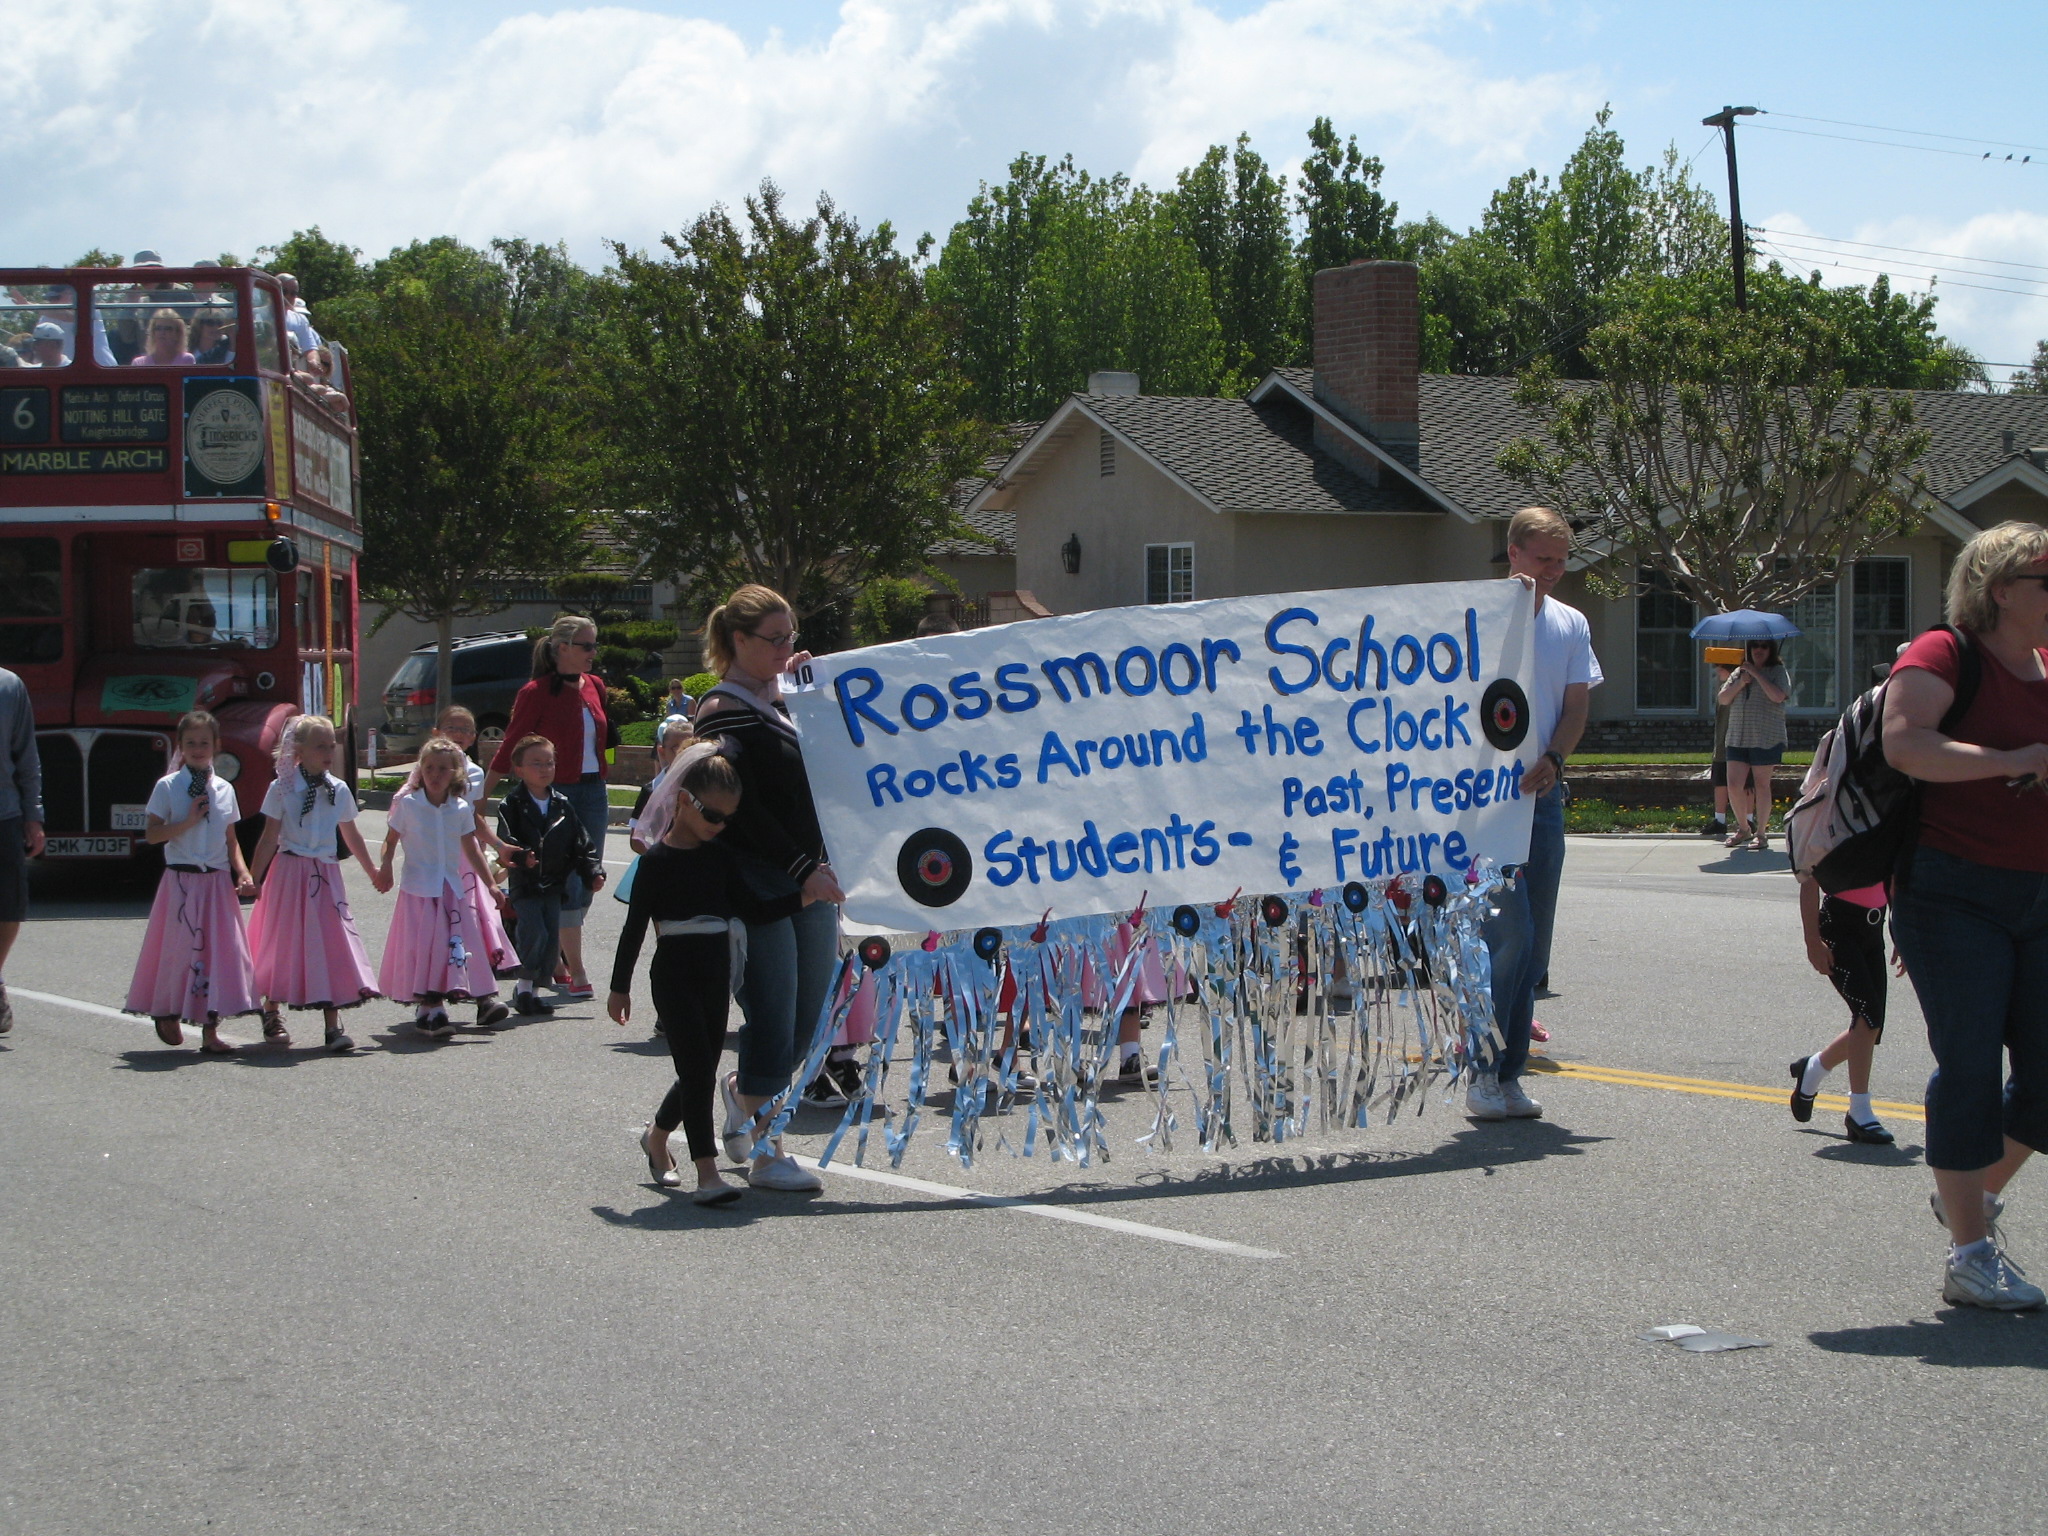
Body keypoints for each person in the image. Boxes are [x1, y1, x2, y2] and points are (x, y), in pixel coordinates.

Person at [1883, 521, 2048, 1310]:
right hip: (1951, 893)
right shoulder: (1944, 654)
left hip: (2039, 892)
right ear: (2002, 588)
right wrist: (2013, 762)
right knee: (1973, 1068)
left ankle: (1968, 1193)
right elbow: (1906, 744)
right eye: (2047, 578)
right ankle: (1970, 1256)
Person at [609, 741, 814, 1203]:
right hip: (674, 973)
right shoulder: (656, 863)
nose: (719, 827)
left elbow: (753, 910)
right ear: (683, 801)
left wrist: (805, 897)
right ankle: (707, 1174)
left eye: (728, 819)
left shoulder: (720, 857)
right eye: (713, 816)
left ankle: (657, 1137)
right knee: (697, 1070)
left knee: (698, 1067)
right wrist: (619, 988)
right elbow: (633, 928)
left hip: (715, 971)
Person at [691, 585, 842, 1191]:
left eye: (791, 638)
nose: (787, 649)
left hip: (810, 872)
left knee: (809, 1012)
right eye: (775, 640)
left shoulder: (784, 701)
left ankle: (743, 1096)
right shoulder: (720, 712)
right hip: (759, 878)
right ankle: (767, 1146)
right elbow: (746, 811)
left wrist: (810, 691)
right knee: (774, 1009)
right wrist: (802, 868)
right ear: (738, 641)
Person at [1470, 507, 1601, 1121]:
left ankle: (1509, 1073)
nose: (1553, 571)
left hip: (1542, 800)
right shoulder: (1473, 617)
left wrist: (1554, 756)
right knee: (1509, 935)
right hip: (1479, 808)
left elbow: (1575, 706)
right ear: (1514, 554)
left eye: (1561, 559)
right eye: (1542, 558)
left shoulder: (1571, 624)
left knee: (1533, 948)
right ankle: (1479, 1070)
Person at [246, 714, 393, 1053]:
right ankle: (271, 1010)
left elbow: (351, 834)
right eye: (320, 746)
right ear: (298, 750)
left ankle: (332, 1022)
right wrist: (252, 878)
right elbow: (269, 837)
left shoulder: (337, 789)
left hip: (325, 873)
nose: (328, 752)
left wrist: (372, 870)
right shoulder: (282, 787)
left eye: (332, 746)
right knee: (281, 941)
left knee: (331, 942)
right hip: (289, 871)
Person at [483, 615, 610, 1001]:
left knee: (589, 878)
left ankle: (554, 959)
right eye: (586, 646)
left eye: (594, 645)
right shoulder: (536, 692)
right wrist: (481, 792)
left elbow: (605, 741)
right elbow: (512, 744)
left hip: (594, 791)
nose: (593, 653)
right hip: (558, 793)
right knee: (566, 883)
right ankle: (576, 970)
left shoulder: (597, 687)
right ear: (562, 649)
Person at [125, 712, 260, 1052]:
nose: (198, 749)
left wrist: (242, 873)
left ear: (216, 746)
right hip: (181, 881)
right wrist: (186, 822)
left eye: (204, 743)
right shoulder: (168, 787)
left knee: (217, 953)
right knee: (178, 952)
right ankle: (168, 1008)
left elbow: (231, 841)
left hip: (215, 883)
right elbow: (153, 834)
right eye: (190, 743)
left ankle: (210, 1031)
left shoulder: (224, 789)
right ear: (180, 747)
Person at [377, 737, 504, 1038]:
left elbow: (471, 849)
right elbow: (390, 840)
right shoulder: (409, 804)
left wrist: (490, 885)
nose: (435, 774)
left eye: (443, 769)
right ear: (420, 770)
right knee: (427, 947)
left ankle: (481, 998)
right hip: (419, 890)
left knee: (464, 943)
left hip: (451, 889)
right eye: (429, 768)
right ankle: (429, 1006)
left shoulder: (459, 808)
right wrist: (385, 866)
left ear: (455, 773)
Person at [496, 735, 605, 1017]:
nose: (544, 769)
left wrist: (592, 871)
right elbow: (505, 837)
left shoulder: (562, 804)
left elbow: (582, 843)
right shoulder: (513, 803)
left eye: (549, 762)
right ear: (518, 768)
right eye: (536, 763)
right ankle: (523, 987)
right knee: (534, 932)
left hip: (554, 884)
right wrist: (521, 856)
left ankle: (532, 993)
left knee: (550, 941)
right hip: (527, 883)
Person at [1789, 875, 1896, 1143]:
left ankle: (1813, 1068)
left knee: (1872, 1026)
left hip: (1874, 925)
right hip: (1838, 928)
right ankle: (1859, 1113)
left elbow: (1894, 876)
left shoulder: (1883, 831)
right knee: (1868, 1018)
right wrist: (1812, 940)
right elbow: (1809, 879)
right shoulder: (1833, 831)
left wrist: (1901, 932)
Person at [426, 704, 515, 981]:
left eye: (466, 729)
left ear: (474, 738)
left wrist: (498, 846)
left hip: (464, 855)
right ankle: (438, 975)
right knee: (436, 919)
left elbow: (475, 817)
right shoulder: (425, 768)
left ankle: (474, 974)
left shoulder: (474, 772)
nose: (459, 734)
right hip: (431, 856)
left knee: (469, 914)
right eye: (452, 727)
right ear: (436, 732)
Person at [0, 666, 43, 1035]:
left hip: (5, 814)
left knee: (11, 908)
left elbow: (26, 756)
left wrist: (34, 816)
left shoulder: (9, 686)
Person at [1718, 638, 1790, 850]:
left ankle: (1761, 833)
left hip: (1765, 737)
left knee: (1761, 785)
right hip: (1737, 736)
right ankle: (1743, 828)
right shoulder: (1740, 672)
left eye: (1764, 646)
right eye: (1755, 646)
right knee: (1733, 784)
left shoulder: (1778, 671)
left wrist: (1757, 674)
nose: (1759, 650)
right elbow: (1723, 699)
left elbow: (1778, 696)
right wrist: (1741, 681)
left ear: (1771, 649)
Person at [629, 716, 696, 855]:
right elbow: (636, 839)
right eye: (675, 747)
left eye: (688, 747)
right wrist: (658, 858)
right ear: (662, 751)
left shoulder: (705, 786)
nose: (681, 752)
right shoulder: (652, 789)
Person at [1702, 664, 1734, 838]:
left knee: (1746, 784)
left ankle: (1748, 818)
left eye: (1720, 668)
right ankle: (1720, 820)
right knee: (1720, 781)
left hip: (1736, 741)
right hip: (1722, 742)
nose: (1717, 672)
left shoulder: (1737, 689)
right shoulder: (1724, 689)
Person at [128, 309, 195, 367]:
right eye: (158, 328)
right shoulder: (139, 363)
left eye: (168, 329)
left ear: (177, 334)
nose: (162, 332)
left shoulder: (187, 360)